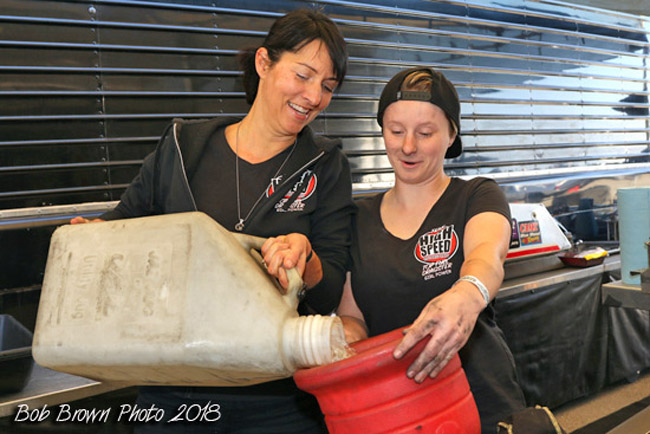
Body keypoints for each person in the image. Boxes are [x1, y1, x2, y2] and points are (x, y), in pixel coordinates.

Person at [72, 9, 352, 434]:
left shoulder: (325, 165)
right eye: (303, 75)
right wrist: (92, 235)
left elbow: (329, 289)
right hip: (173, 395)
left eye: (327, 87)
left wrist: (306, 257)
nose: (314, 96)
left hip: (278, 402)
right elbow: (122, 228)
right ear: (264, 63)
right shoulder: (183, 148)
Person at [337, 67, 526, 433]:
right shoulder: (356, 218)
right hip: (396, 409)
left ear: (451, 134)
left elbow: (487, 257)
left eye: (425, 133)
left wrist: (467, 294)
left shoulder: (476, 195)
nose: (408, 146)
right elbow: (353, 318)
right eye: (396, 131)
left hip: (479, 401)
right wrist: (336, 340)